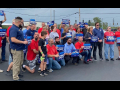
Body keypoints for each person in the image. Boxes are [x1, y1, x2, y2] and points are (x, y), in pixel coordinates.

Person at [9, 17, 28, 81]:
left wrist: (23, 39)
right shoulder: (13, 28)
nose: (22, 23)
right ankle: (15, 77)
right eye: (22, 22)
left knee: (20, 62)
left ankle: (17, 73)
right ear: (19, 22)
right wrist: (23, 42)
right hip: (16, 49)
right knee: (16, 63)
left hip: (20, 48)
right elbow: (13, 39)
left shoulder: (18, 28)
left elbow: (18, 37)